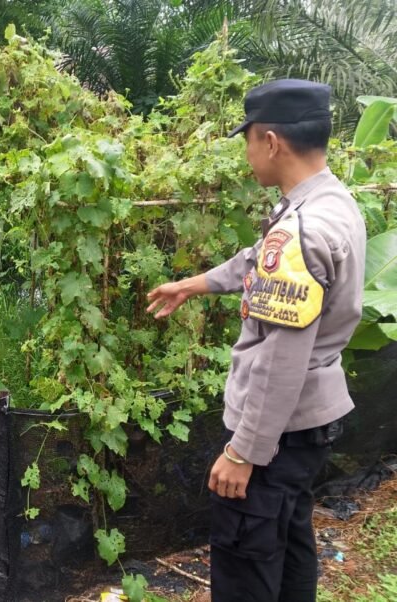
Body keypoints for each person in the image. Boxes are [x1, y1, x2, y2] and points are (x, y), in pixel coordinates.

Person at [146, 79, 366, 602]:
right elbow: (257, 259)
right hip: (311, 422)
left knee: (247, 561)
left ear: (271, 142)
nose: (247, 154)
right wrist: (194, 285)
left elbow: (279, 359)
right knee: (289, 545)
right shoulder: (331, 204)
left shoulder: (302, 230)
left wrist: (244, 452)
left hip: (277, 435)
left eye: (247, 140)